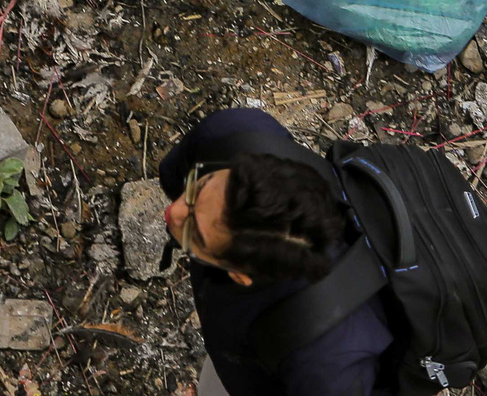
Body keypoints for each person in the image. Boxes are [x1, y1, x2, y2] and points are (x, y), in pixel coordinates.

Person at [161, 108, 398, 396]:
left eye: (193, 234)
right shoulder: (234, 133)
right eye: (199, 186)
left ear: (241, 275)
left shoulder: (325, 367)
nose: (173, 210)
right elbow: (170, 174)